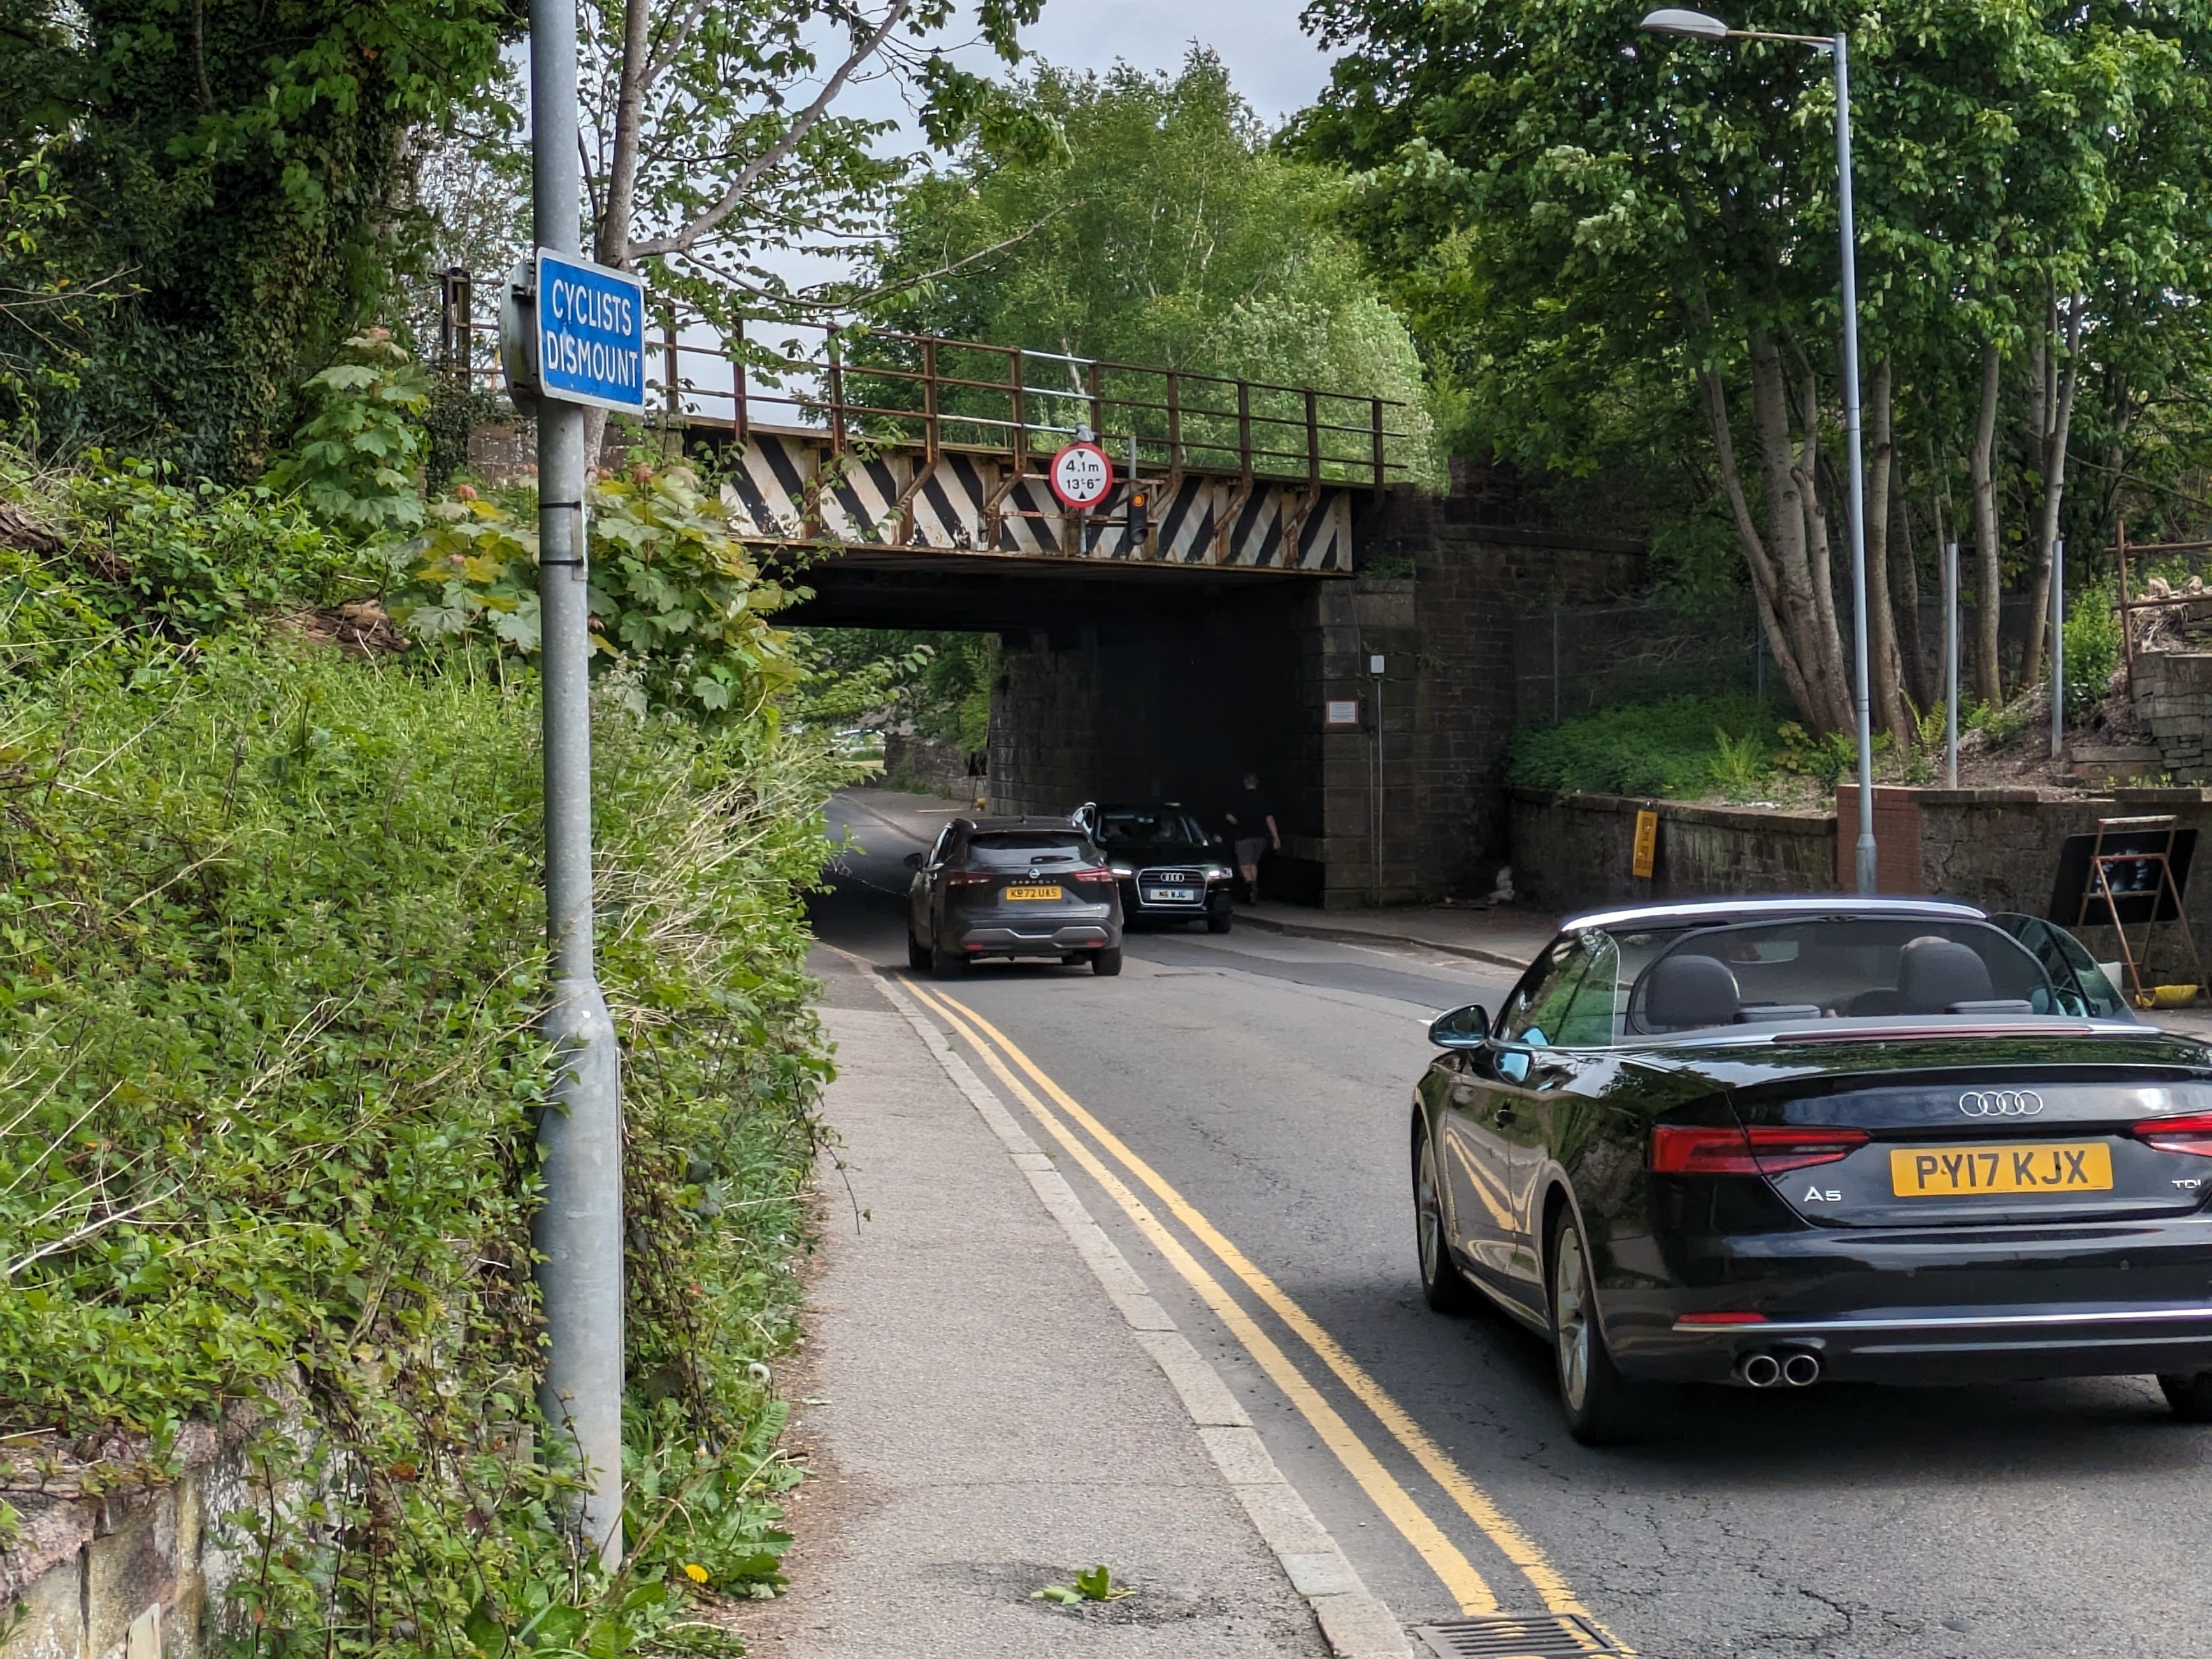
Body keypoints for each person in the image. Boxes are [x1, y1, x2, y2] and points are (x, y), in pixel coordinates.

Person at [1223, 772, 1280, 902]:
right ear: (1257, 783)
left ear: (1245, 782)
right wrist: (1276, 838)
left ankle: (1249, 886)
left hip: (1243, 837)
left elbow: (1229, 816)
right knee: (1253, 863)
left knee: (1244, 865)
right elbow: (1269, 819)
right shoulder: (1263, 798)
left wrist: (1238, 824)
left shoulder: (1238, 798)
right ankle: (1254, 884)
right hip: (1260, 837)